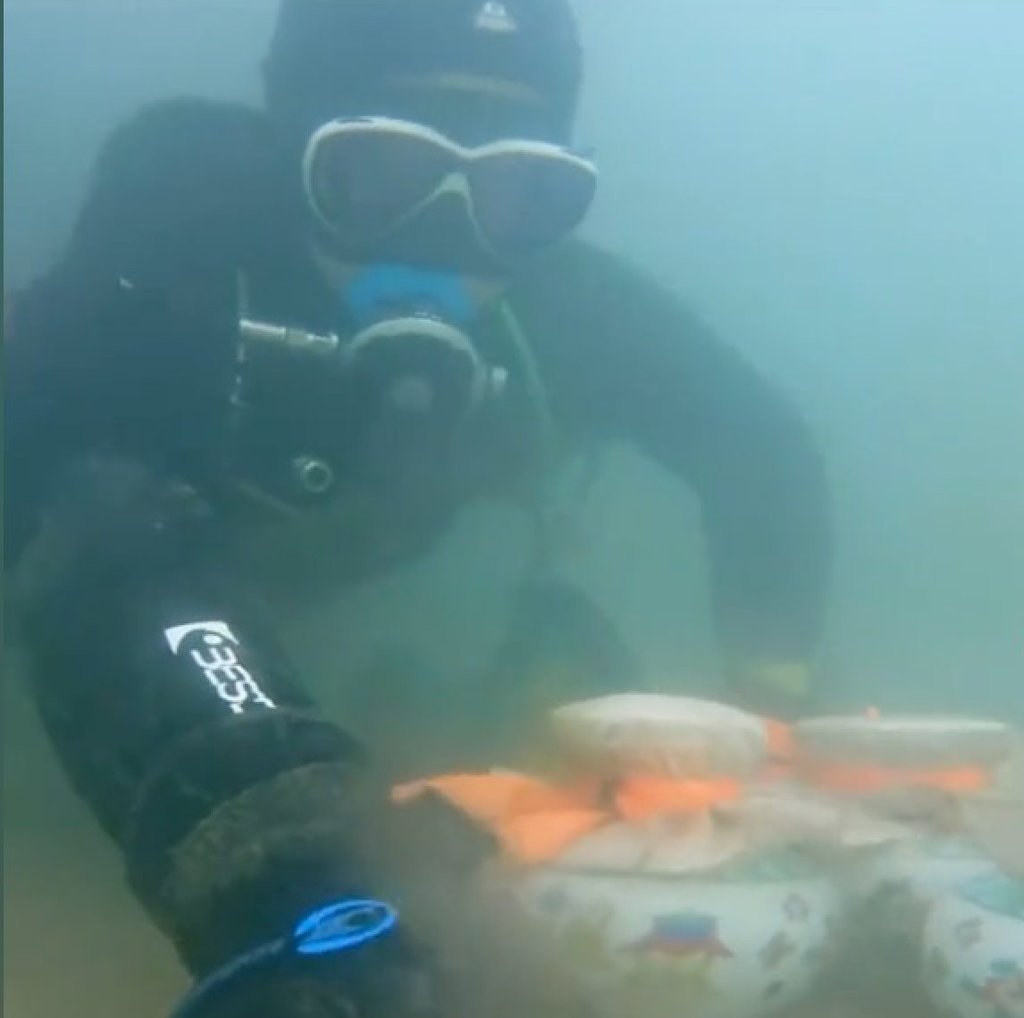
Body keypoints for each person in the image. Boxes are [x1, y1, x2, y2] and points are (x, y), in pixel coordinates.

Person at [4, 0, 832, 1014]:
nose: (444, 235)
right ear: (291, 150)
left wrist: (772, 725)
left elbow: (758, 444)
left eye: (518, 194)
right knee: (105, 514)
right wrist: (290, 870)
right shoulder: (173, 240)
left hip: (305, 572)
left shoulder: (557, 306)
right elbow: (73, 508)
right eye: (381, 175)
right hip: (149, 547)